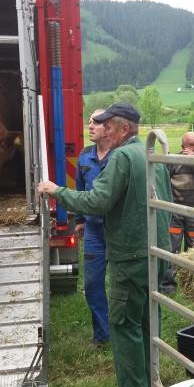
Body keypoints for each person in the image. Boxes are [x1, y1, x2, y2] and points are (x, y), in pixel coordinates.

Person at [37, 103, 172, 387]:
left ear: (124, 129)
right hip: (157, 249)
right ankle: (150, 386)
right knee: (146, 320)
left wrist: (57, 191)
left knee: (124, 322)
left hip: (131, 253)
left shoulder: (122, 157)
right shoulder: (150, 154)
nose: (104, 131)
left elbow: (97, 201)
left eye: (108, 126)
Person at [74, 110, 112, 346]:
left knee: (121, 285)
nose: (90, 126)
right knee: (92, 284)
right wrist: (79, 219)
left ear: (109, 128)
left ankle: (124, 328)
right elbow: (80, 190)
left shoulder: (120, 156)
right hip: (93, 232)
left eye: (95, 123)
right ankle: (102, 335)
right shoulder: (84, 156)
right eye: (89, 122)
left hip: (118, 231)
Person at [160, 131, 194, 294]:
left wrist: (193, 162)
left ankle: (192, 284)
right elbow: (163, 180)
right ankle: (168, 284)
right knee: (172, 247)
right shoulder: (174, 160)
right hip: (175, 213)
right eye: (191, 145)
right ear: (183, 146)